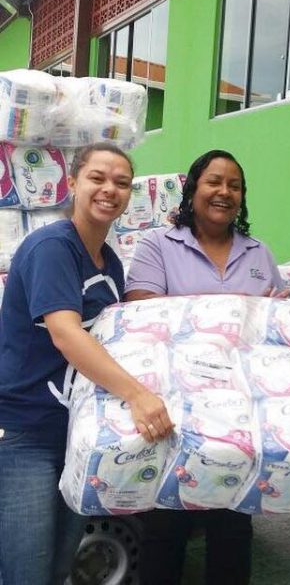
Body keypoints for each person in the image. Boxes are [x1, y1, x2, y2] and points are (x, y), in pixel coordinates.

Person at [0, 142, 173, 585]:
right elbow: (66, 333)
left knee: (60, 566)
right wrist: (138, 395)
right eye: (97, 178)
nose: (109, 189)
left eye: (121, 182)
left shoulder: (109, 261)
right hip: (26, 434)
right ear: (73, 182)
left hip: (77, 432)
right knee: (25, 571)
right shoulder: (52, 247)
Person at [125, 149, 285, 585]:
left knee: (233, 525)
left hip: (240, 412)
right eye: (214, 181)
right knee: (166, 525)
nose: (224, 192)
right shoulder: (159, 245)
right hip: (175, 409)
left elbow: (273, 321)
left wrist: (276, 314)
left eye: (235, 185)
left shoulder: (258, 253)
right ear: (193, 189)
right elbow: (142, 311)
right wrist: (237, 311)